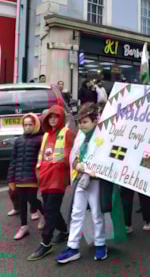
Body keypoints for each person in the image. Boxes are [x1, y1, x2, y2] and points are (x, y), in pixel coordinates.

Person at [55, 103, 107, 263]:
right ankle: (73, 247)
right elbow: (75, 157)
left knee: (97, 214)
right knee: (76, 213)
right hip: (81, 179)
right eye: (80, 122)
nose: (81, 125)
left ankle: (100, 244)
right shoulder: (80, 137)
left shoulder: (104, 137)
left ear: (94, 121)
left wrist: (94, 170)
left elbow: (107, 159)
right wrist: (79, 166)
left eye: (85, 122)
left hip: (96, 181)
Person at [28, 105, 73, 261]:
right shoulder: (46, 135)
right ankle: (64, 231)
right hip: (46, 178)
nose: (53, 119)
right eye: (50, 117)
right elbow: (42, 156)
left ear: (61, 118)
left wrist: (58, 164)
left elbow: (70, 155)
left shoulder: (66, 133)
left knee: (50, 210)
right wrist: (39, 171)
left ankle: (46, 242)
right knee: (49, 209)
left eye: (56, 116)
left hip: (58, 178)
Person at [7, 113, 45, 240]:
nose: (28, 127)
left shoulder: (40, 140)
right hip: (19, 177)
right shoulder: (18, 141)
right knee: (22, 201)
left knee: (32, 199)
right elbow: (13, 160)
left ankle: (46, 215)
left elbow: (42, 159)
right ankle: (24, 226)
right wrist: (10, 178)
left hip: (33, 176)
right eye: (25, 124)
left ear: (35, 125)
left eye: (30, 124)